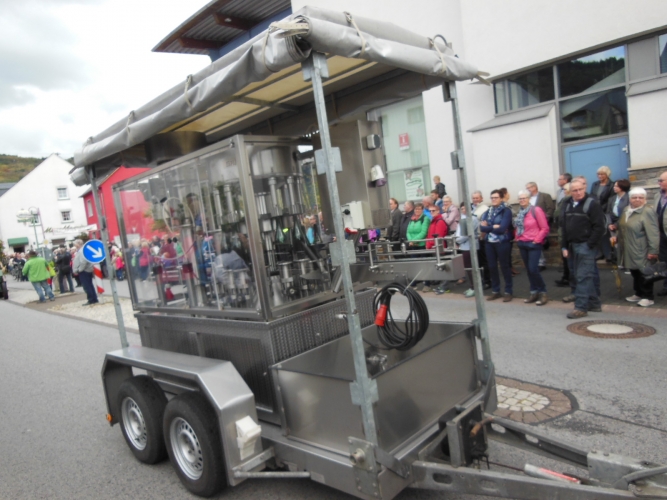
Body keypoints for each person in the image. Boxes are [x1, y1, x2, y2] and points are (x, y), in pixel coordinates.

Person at [560, 177, 605, 318]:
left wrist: (590, 244)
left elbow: (599, 227)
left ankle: (580, 307)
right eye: (575, 190)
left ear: (584, 189)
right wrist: (564, 246)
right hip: (572, 245)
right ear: (570, 191)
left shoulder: (592, 204)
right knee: (581, 276)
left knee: (583, 276)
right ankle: (594, 303)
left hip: (585, 246)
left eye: (580, 189)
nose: (578, 192)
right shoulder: (567, 204)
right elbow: (564, 227)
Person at [611, 188, 659, 307]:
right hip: (628, 247)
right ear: (630, 199)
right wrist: (617, 237)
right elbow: (623, 227)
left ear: (645, 199)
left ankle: (648, 297)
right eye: (634, 197)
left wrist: (653, 250)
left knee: (644, 272)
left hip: (642, 248)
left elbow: (653, 233)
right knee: (634, 271)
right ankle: (638, 293)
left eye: (641, 197)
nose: (637, 199)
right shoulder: (627, 210)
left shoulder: (647, 212)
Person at [515, 190, 550, 305]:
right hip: (523, 243)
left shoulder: (536, 210)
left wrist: (536, 240)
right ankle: (534, 292)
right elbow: (518, 227)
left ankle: (543, 292)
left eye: (524, 198)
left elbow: (544, 228)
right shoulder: (520, 212)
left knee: (533, 269)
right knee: (529, 270)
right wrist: (517, 237)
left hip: (533, 244)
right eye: (520, 198)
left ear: (529, 199)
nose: (522, 200)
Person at [480, 190, 513, 301]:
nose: (493, 199)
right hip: (489, 243)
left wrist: (488, 227)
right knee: (492, 267)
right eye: (492, 197)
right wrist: (494, 226)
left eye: (496, 197)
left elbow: (502, 228)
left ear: (501, 198)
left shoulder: (506, 211)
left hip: (502, 242)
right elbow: (482, 227)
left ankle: (508, 291)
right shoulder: (488, 211)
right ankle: (496, 291)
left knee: (505, 267)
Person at [422, 205, 448, 293]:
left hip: (438, 247)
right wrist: (428, 244)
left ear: (438, 211)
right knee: (439, 267)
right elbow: (429, 235)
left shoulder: (439, 221)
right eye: (430, 211)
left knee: (442, 267)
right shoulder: (434, 221)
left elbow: (438, 236)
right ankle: (441, 285)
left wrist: (429, 244)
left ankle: (444, 286)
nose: (431, 212)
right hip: (434, 247)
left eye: (433, 211)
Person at [455, 203, 479, 297]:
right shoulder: (463, 218)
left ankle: (475, 288)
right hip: (464, 246)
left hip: (470, 246)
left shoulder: (473, 219)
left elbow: (468, 234)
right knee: (468, 268)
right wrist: (456, 239)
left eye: (465, 208)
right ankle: (472, 286)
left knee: (472, 268)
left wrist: (457, 240)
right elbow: (458, 232)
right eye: (462, 208)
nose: (463, 210)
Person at [607, 179, 631, 265]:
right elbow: (608, 212)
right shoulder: (612, 198)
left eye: (616, 186)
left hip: (623, 223)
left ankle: (626, 262)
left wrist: (616, 224)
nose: (614, 187)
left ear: (622, 187)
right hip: (612, 223)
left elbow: (627, 213)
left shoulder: (628, 198)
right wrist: (609, 223)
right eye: (614, 186)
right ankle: (617, 260)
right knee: (614, 243)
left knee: (624, 243)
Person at [471, 191, 491, 289]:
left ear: (481, 198)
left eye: (477, 198)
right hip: (473, 238)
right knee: (477, 261)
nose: (475, 200)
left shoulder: (485, 209)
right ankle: (480, 280)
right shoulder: (472, 208)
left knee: (484, 261)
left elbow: (485, 223)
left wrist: (482, 236)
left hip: (481, 238)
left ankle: (487, 281)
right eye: (474, 198)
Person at [554, 182, 572, 287]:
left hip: (565, 232)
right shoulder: (564, 200)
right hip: (563, 231)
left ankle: (568, 278)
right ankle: (566, 277)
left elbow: (557, 214)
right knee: (566, 257)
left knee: (567, 257)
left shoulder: (566, 201)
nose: (564, 191)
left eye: (565, 189)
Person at [73, 239, 99, 305]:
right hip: (86, 270)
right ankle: (94, 298)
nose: (74, 245)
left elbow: (83, 261)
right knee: (89, 285)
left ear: (78, 244)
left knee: (87, 286)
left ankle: (91, 299)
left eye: (75, 244)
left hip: (84, 271)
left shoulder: (81, 251)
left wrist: (79, 269)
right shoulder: (82, 250)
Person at [654, 171, 667, 297]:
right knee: (664, 260)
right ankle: (666, 286)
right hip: (662, 234)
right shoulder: (658, 196)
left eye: (661, 180)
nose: (659, 183)